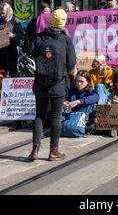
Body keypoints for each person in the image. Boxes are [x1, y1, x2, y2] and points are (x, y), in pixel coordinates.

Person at [29, 9, 76, 162]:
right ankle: (53, 151)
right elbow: (71, 63)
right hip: (58, 84)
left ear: (51, 21)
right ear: (63, 23)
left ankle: (35, 149)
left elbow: (30, 55)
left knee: (39, 115)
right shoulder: (65, 39)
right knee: (56, 116)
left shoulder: (39, 37)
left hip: (40, 83)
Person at [64, 70, 100, 135]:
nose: (79, 84)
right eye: (77, 81)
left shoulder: (90, 90)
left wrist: (78, 101)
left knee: (92, 105)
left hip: (85, 115)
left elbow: (96, 97)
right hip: (73, 114)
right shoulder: (71, 90)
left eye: (81, 81)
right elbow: (64, 98)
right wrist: (65, 103)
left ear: (87, 82)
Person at [0, 3, 24, 77]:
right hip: (1, 49)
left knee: (12, 70)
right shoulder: (0, 21)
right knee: (1, 70)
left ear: (8, 11)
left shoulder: (15, 21)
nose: (1, 15)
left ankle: (11, 87)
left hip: (11, 48)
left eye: (3, 13)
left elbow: (21, 34)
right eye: (0, 13)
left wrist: (13, 35)